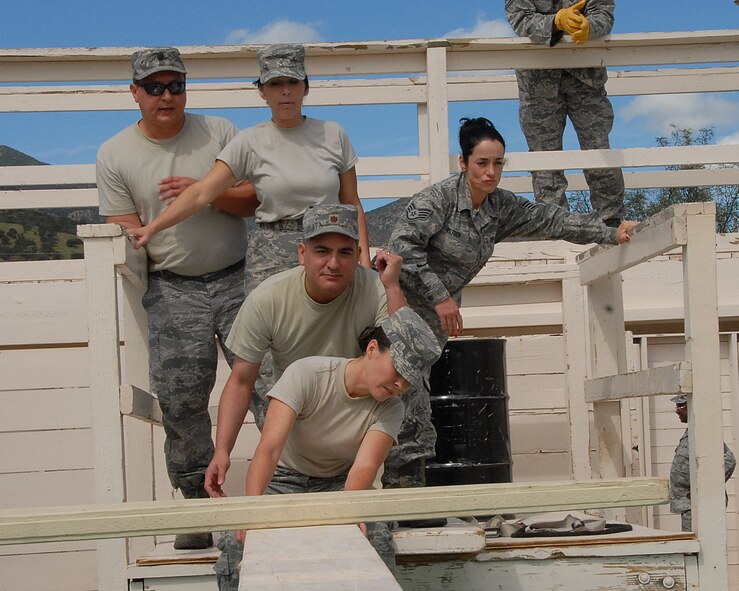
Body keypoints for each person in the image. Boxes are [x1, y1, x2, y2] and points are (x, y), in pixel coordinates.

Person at [387, 116, 636, 491]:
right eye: (482, 163)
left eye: (498, 163)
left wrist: (609, 233)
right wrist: (440, 297)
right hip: (398, 314)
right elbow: (401, 248)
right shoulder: (435, 201)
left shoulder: (499, 208)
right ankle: (399, 509)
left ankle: (409, 507)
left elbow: (550, 219)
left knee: (414, 412)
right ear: (463, 162)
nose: (490, 173)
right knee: (410, 412)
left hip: (434, 327)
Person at [96, 46, 257, 550]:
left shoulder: (222, 133)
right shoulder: (113, 154)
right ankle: (196, 503)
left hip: (239, 278)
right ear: (134, 93)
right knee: (182, 399)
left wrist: (204, 190)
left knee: (271, 384)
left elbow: (254, 197)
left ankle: (289, 489)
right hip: (171, 286)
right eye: (155, 87)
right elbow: (123, 229)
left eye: (176, 86)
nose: (167, 96)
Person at [213, 307, 442, 591]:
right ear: (372, 348)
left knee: (375, 538)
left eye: (408, 380)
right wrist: (252, 511)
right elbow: (269, 448)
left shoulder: (392, 408)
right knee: (238, 544)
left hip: (339, 486)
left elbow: (365, 466)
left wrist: (349, 514)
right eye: (398, 370)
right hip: (282, 482)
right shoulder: (308, 374)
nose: (400, 384)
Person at [129, 43, 372, 290]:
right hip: (271, 257)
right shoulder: (249, 140)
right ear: (262, 91)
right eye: (275, 84)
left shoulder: (333, 134)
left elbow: (352, 203)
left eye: (293, 82)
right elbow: (202, 192)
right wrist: (151, 228)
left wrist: (364, 261)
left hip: (328, 250)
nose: (285, 91)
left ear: (305, 87)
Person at [204, 203, 406, 499]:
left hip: (348, 449)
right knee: (246, 545)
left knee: (407, 388)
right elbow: (241, 381)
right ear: (302, 253)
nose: (333, 263)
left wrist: (392, 287)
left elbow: (403, 351)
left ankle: (404, 491)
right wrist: (222, 451)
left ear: (359, 255)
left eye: (345, 252)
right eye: (322, 251)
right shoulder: (268, 299)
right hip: (292, 439)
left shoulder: (377, 289)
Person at [505, 0, 625, 226]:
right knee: (544, 158)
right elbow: (520, 19)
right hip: (538, 81)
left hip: (586, 76)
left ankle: (612, 221)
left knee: (598, 148)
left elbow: (604, 14)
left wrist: (590, 27)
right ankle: (556, 224)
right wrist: (556, 21)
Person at [669, 393, 736, 531]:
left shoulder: (703, 431)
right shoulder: (692, 431)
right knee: (691, 546)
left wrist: (705, 486)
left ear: (691, 407)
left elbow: (729, 460)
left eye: (680, 406)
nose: (677, 410)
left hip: (700, 504)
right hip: (688, 505)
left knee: (701, 547)